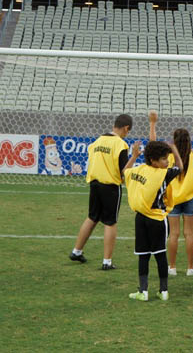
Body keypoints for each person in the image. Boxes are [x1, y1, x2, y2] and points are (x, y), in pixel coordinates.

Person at [148, 109, 193, 277]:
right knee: (189, 233)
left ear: (173, 141)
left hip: (172, 199)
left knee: (174, 234)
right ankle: (191, 267)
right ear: (188, 141)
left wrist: (153, 123)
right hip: (189, 198)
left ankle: (172, 267)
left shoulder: (167, 157)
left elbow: (152, 144)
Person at [69, 114, 133, 270]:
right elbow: (124, 171)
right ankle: (107, 262)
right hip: (110, 186)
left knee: (92, 217)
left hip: (94, 183)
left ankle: (76, 251)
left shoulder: (97, 142)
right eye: (128, 131)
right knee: (110, 222)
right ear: (126, 128)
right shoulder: (120, 145)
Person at [123, 140, 184, 301]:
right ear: (153, 161)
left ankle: (144, 292)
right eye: (164, 159)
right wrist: (175, 150)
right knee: (159, 254)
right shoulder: (163, 174)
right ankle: (163, 291)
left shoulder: (140, 170)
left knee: (144, 255)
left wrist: (134, 155)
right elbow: (180, 167)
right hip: (157, 219)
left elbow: (126, 171)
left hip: (141, 218)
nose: (167, 162)